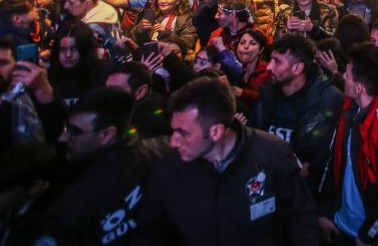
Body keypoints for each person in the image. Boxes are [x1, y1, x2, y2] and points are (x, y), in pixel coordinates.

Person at [135, 78, 320, 244]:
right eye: (173, 130)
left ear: (216, 131)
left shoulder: (272, 155)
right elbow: (152, 229)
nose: (173, 142)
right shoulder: (169, 167)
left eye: (183, 133)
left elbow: (300, 219)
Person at [33, 87, 165, 245]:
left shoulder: (77, 198)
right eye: (66, 127)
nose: (63, 137)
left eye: (74, 131)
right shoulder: (157, 153)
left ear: (106, 135)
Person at [319, 43, 378, 245]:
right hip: (338, 224)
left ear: (359, 87)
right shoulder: (349, 106)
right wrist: (326, 211)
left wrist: (367, 236)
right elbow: (334, 157)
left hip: (366, 235)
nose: (343, 76)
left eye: (348, 73)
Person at [249, 34, 343, 190]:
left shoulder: (328, 101)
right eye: (271, 59)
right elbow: (253, 139)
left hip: (308, 196)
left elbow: (331, 163)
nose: (268, 67)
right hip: (267, 187)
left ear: (298, 68)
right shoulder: (268, 94)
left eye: (277, 61)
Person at [0, 38, 64, 163]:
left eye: (1, 63)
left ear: (16, 64)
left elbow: (57, 136)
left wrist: (44, 92)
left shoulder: (32, 97)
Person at [105, 61, 171, 139]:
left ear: (140, 91)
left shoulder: (153, 124)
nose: (105, 95)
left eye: (115, 90)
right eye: (106, 88)